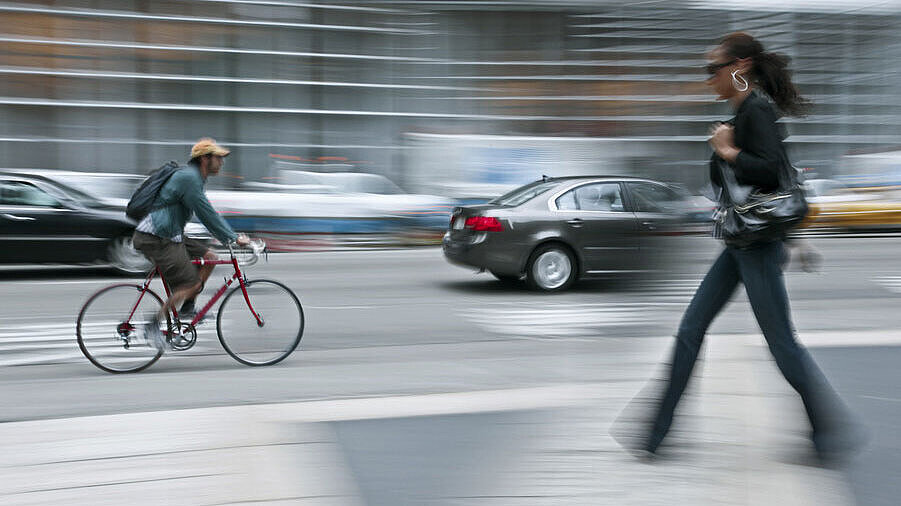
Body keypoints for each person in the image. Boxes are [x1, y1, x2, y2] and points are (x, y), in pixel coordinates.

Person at [621, 33, 861, 461]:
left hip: (757, 247)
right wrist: (727, 153)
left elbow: (769, 173)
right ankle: (654, 434)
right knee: (691, 329)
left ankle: (828, 430)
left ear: (741, 67)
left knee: (781, 344)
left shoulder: (756, 110)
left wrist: (728, 151)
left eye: (714, 69)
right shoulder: (744, 111)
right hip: (741, 243)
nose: (708, 78)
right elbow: (765, 183)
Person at [133, 138, 250, 348]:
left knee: (210, 258)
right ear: (205, 159)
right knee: (190, 284)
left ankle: (187, 307)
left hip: (170, 233)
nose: (222, 162)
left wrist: (227, 236)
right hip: (157, 237)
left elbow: (204, 212)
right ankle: (152, 325)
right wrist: (233, 238)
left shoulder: (194, 178)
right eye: (218, 158)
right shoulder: (190, 178)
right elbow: (207, 213)